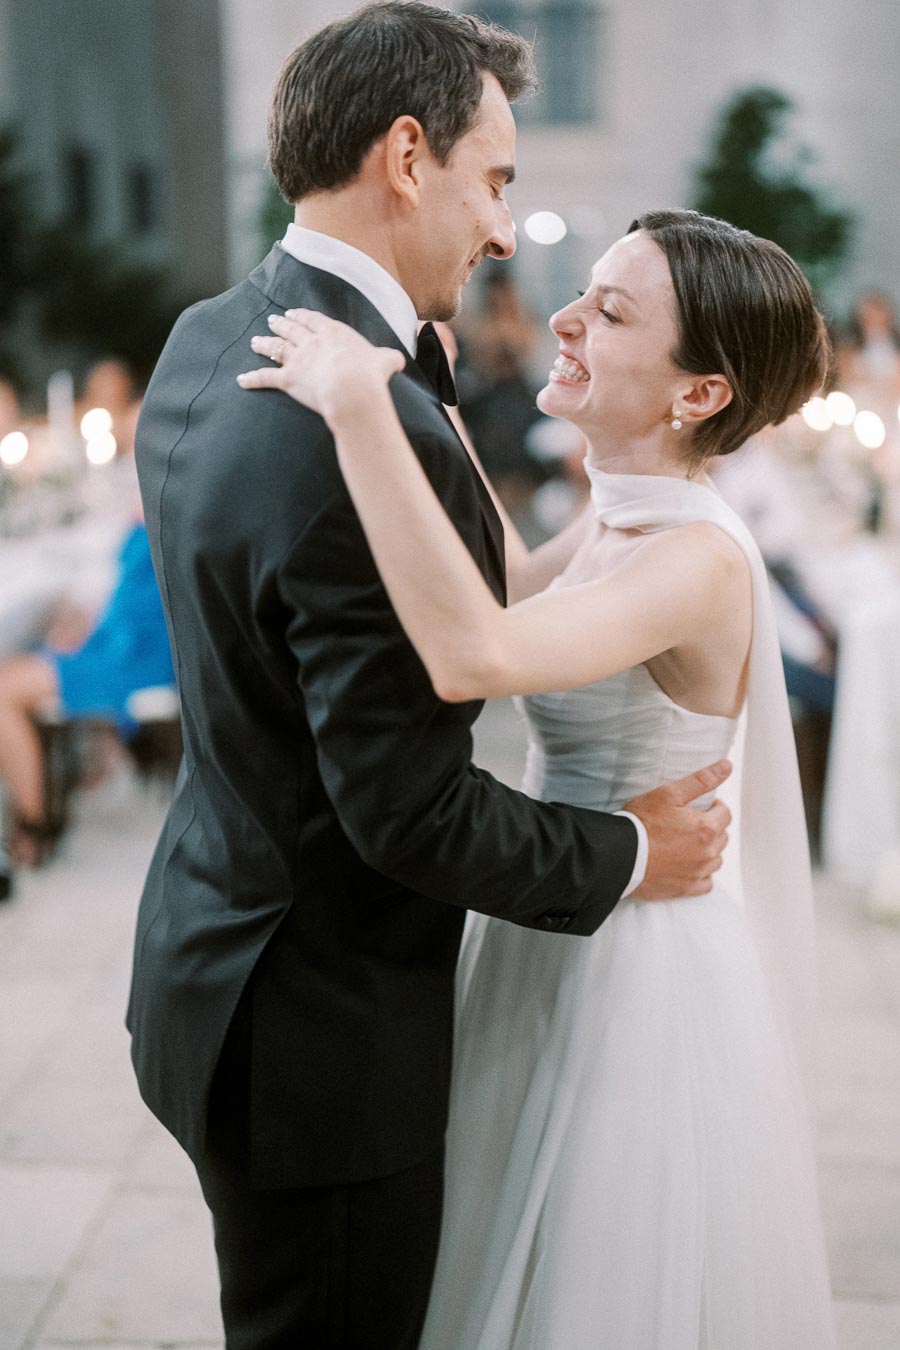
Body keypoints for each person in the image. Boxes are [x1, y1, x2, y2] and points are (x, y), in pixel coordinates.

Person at [126, 6, 732, 1348]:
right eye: (496, 179)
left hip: (212, 950)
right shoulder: (349, 425)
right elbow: (405, 812)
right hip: (319, 1047)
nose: (509, 231)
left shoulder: (205, 336)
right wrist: (632, 850)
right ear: (408, 156)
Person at [239, 208, 838, 1346]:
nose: (564, 316)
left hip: (636, 962)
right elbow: (512, 582)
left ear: (698, 393)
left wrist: (360, 408)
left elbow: (480, 650)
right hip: (561, 908)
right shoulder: (623, 511)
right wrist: (425, 387)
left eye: (610, 312)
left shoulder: (699, 558)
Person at [0, 519, 174, 874]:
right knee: (10, 679)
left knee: (4, 689)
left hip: (134, 657)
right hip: (118, 646)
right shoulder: (157, 508)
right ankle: (33, 816)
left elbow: (146, 610)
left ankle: (34, 826)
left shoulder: (168, 510)